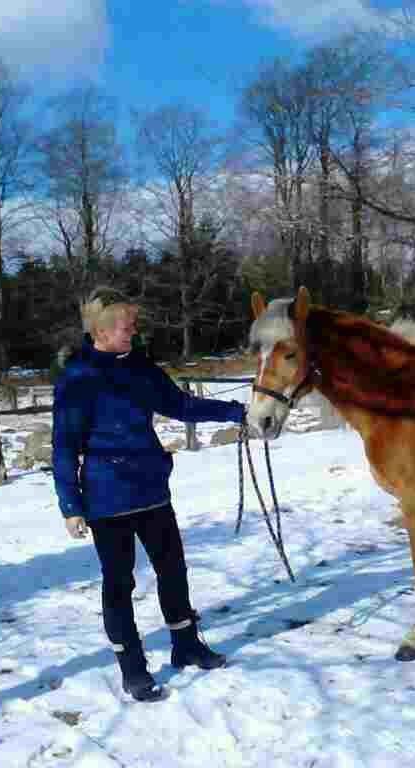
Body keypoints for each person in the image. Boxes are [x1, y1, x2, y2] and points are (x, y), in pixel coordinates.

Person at [52, 287, 246, 702]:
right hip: (107, 498)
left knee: (173, 570)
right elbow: (64, 444)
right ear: (102, 331)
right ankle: (133, 668)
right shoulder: (78, 377)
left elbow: (180, 405)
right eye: (127, 325)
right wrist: (70, 504)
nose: (134, 332)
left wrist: (234, 411)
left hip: (152, 489)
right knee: (119, 583)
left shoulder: (139, 366)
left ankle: (186, 644)